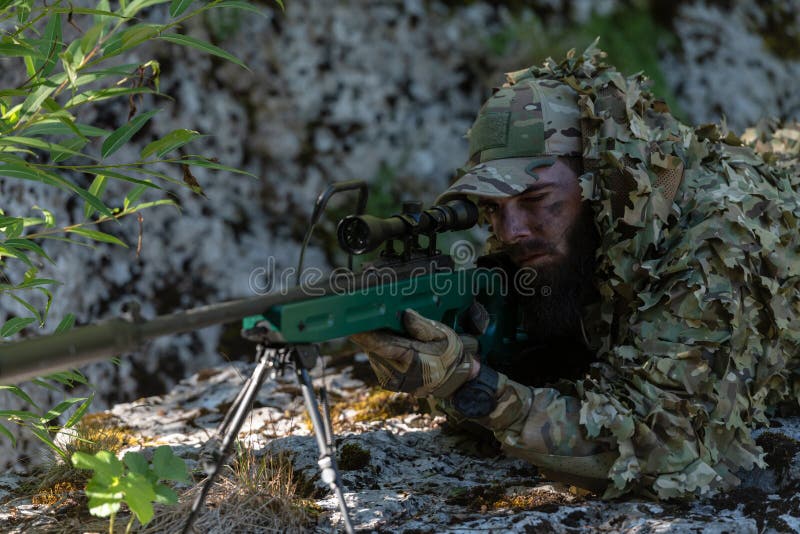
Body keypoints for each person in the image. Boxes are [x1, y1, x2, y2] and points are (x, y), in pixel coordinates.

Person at [350, 43, 800, 499]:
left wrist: (476, 386)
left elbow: (669, 445)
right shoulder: (558, 238)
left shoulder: (714, 242)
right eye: (492, 207)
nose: (510, 231)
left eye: (535, 200)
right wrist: (447, 353)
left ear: (600, 179)